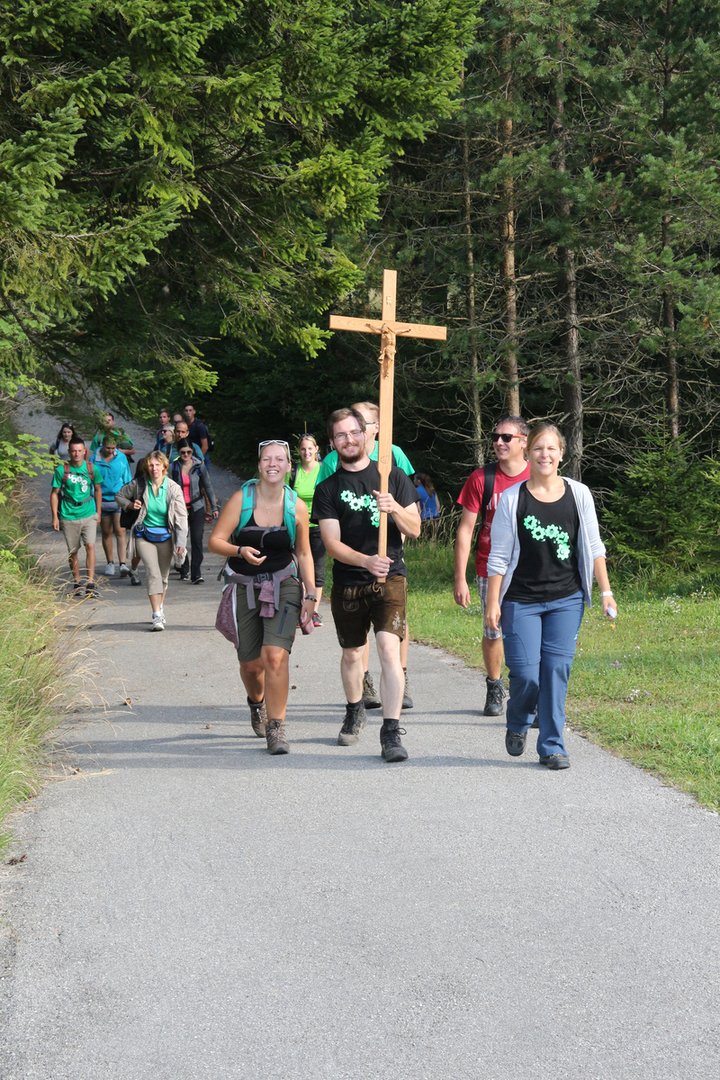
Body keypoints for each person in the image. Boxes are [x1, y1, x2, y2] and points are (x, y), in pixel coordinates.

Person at [485, 423, 616, 770]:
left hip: (566, 599)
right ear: (528, 454)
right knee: (526, 674)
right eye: (538, 448)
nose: (545, 454)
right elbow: (499, 557)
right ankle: (518, 720)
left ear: (562, 454)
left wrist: (606, 591)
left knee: (556, 670)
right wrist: (492, 603)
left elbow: (594, 546)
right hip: (520, 600)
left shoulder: (579, 494)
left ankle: (552, 746)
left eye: (551, 449)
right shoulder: (513, 498)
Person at [314, 408, 421, 763]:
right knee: (352, 653)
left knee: (389, 649)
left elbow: (415, 528)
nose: (348, 440)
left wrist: (395, 509)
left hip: (390, 576)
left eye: (353, 433)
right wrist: (365, 561)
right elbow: (331, 543)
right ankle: (354, 709)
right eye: (340, 435)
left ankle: (391, 731)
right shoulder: (328, 488)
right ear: (333, 443)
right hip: (350, 581)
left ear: (365, 434)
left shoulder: (393, 477)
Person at [208, 440, 315, 755]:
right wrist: (239, 549)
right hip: (244, 587)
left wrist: (311, 593)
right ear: (259, 464)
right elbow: (215, 541)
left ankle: (276, 726)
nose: (273, 464)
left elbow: (304, 553)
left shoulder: (296, 506)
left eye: (279, 459)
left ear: (289, 466)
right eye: (267, 459)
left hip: (285, 584)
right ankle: (257, 703)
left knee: (275, 656)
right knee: (252, 665)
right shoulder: (241, 500)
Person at [454, 415, 530, 717]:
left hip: (530, 569)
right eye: (496, 437)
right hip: (490, 566)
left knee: (527, 632)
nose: (499, 442)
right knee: (493, 628)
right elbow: (465, 530)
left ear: (523, 441)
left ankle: (527, 690)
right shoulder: (481, 478)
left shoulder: (537, 475)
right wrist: (460, 577)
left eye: (506, 437)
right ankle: (495, 684)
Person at [116, 452, 187, 631]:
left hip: (165, 537)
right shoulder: (139, 484)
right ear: (146, 467)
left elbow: (181, 518)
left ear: (164, 466)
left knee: (163, 577)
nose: (154, 468)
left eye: (157, 465)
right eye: (151, 465)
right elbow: (120, 496)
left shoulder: (173, 488)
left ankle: (160, 607)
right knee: (153, 573)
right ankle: (156, 615)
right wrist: (130, 505)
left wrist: (181, 543)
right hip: (144, 535)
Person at [50, 435, 102, 597]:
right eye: (73, 451)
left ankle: (90, 582)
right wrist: (55, 516)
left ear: (84, 451)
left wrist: (98, 512)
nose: (77, 454)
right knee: (73, 551)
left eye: (79, 451)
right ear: (69, 451)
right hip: (68, 514)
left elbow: (98, 489)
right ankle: (77, 582)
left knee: (90, 546)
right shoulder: (62, 470)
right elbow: (54, 493)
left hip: (88, 512)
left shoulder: (92, 469)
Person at [170, 438, 219, 583]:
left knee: (197, 539)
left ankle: (196, 573)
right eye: (183, 452)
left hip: (197, 506)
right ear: (178, 452)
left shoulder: (199, 466)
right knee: (181, 539)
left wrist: (214, 507)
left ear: (192, 452)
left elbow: (208, 486)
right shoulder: (173, 467)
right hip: (179, 509)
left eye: (189, 452)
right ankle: (184, 569)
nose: (186, 455)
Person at [292, 433, 326, 626]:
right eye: (303, 449)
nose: (307, 452)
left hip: (319, 525)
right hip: (297, 526)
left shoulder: (323, 470)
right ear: (299, 450)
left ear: (316, 449)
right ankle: (302, 609)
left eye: (310, 449)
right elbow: (284, 495)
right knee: (298, 568)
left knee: (318, 568)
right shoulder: (293, 472)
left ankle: (315, 612)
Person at [91, 434, 132, 577]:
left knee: (120, 531)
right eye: (108, 448)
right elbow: (91, 480)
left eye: (113, 448)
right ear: (102, 446)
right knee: (106, 532)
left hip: (118, 498)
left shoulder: (121, 457)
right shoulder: (94, 459)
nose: (111, 451)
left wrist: (128, 495)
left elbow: (127, 477)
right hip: (102, 499)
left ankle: (123, 563)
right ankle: (110, 562)